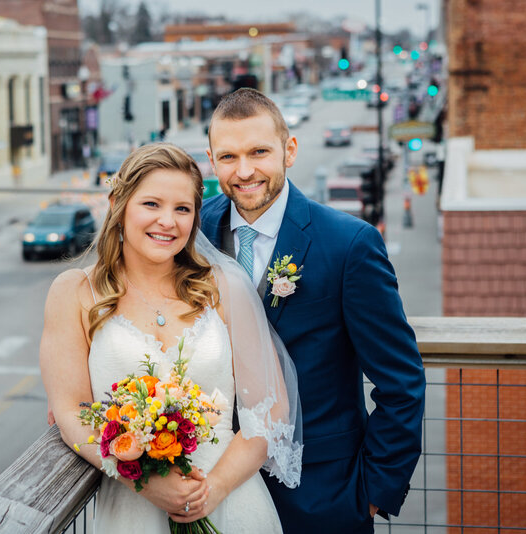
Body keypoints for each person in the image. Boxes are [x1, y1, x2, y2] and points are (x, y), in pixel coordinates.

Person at [40, 143, 302, 533]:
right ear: (118, 204)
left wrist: (213, 489)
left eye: (182, 209)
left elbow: (271, 409)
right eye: (151, 204)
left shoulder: (222, 287)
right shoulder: (75, 293)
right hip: (132, 509)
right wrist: (141, 480)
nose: (168, 221)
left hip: (233, 501)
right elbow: (71, 414)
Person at [200, 88, 425, 533]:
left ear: (289, 150)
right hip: (216, 490)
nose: (244, 171)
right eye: (228, 157)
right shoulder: (196, 231)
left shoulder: (349, 245)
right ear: (211, 160)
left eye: (259, 152)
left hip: (323, 497)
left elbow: (401, 382)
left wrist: (372, 495)